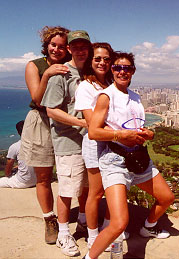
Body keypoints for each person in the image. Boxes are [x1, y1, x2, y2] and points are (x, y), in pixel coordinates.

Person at [84, 52, 174, 259]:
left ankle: (148, 227)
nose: (122, 72)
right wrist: (119, 135)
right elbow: (94, 132)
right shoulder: (106, 96)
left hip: (139, 157)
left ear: (133, 71)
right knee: (118, 223)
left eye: (127, 68)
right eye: (117, 68)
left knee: (166, 198)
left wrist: (148, 133)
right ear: (112, 70)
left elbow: (137, 127)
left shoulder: (135, 97)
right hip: (114, 160)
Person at [41, 30, 91, 257]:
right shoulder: (61, 74)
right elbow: (51, 110)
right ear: (69, 49)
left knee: (86, 187)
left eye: (84, 47)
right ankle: (63, 234)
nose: (80, 50)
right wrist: (81, 122)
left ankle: (82, 221)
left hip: (89, 141)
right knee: (68, 189)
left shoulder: (90, 73)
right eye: (76, 46)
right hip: (67, 140)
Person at [19, 25, 71, 245]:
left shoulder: (71, 65)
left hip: (65, 122)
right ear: (46, 45)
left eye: (61, 46)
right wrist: (48, 74)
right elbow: (38, 99)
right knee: (43, 176)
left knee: (71, 172)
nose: (56, 50)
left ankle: (74, 216)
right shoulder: (35, 66)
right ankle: (49, 218)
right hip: (41, 121)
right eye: (53, 45)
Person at [74, 42, 114, 249]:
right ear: (90, 61)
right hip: (95, 144)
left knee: (113, 188)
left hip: (114, 144)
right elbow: (92, 122)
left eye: (106, 59)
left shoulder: (111, 83)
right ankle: (92, 236)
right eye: (97, 58)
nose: (102, 62)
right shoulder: (85, 87)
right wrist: (122, 133)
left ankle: (108, 228)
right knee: (96, 192)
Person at [0, 120, 36, 188]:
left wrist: (9, 174)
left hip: (24, 182)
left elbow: (7, 172)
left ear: (18, 132)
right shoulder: (39, 143)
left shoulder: (15, 146)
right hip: (39, 180)